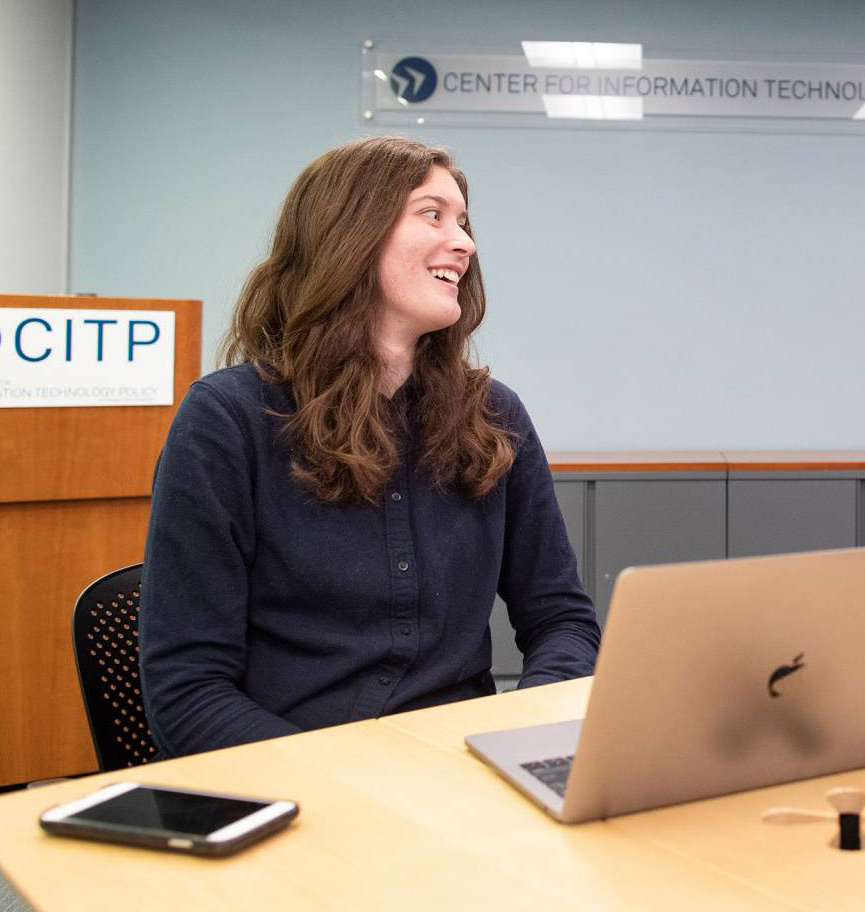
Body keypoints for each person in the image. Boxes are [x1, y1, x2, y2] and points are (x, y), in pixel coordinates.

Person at [140, 136, 600, 756]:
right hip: (298, 781)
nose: (464, 243)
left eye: (464, 222)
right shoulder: (227, 421)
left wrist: (520, 736)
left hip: (461, 774)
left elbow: (563, 623)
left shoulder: (493, 414)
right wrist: (358, 786)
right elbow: (187, 693)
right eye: (432, 214)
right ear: (348, 233)